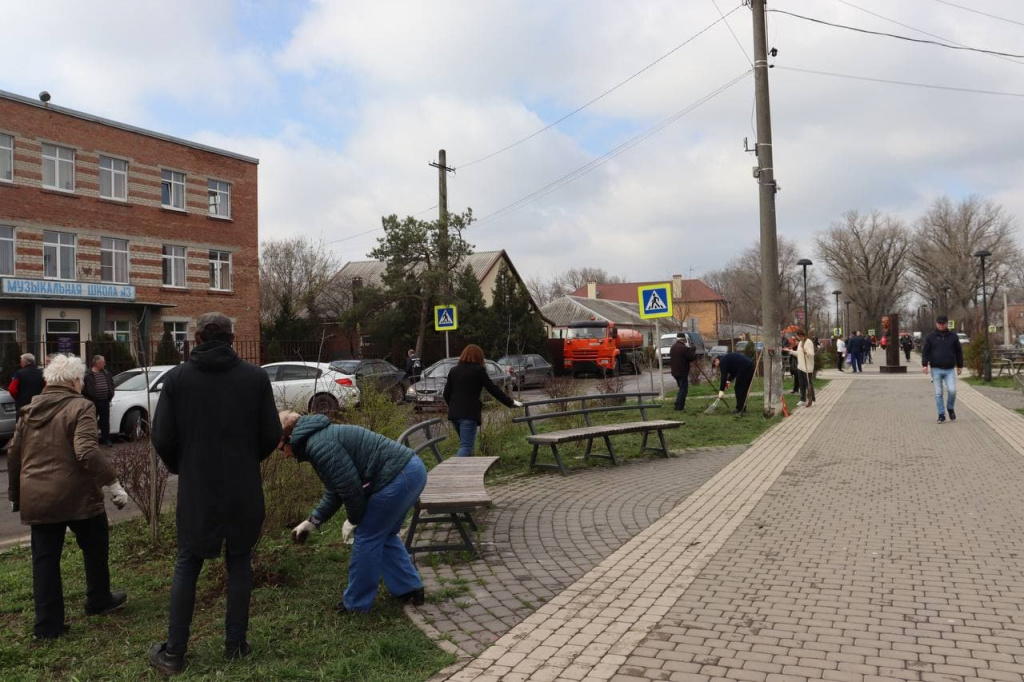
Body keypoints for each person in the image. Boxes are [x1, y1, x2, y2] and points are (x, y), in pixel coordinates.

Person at [149, 313, 281, 675]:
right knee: (239, 560)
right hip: (243, 486)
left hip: (197, 487)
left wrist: (183, 465)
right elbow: (272, 433)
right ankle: (235, 645)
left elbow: (162, 437)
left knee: (188, 561)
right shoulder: (255, 378)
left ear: (196, 339)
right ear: (232, 338)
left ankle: (174, 653)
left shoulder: (177, 379)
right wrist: (247, 459)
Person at [7, 353, 129, 640]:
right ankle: (99, 599)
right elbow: (86, 451)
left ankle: (47, 626)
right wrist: (113, 483)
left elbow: (14, 454)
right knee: (95, 546)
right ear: (74, 380)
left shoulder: (29, 410)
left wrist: (16, 494)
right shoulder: (81, 406)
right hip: (78, 495)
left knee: (45, 560)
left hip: (37, 497)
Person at [280, 411, 427, 613]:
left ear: (289, 438)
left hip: (398, 477)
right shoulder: (318, 439)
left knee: (366, 536)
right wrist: (313, 521)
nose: (285, 456)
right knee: (384, 534)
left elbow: (350, 489)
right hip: (412, 471)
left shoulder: (320, 446)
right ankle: (410, 588)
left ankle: (356, 604)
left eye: (281, 449)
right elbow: (335, 490)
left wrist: (354, 520)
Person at [443, 344, 522, 457]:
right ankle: (452, 468)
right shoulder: (478, 370)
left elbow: (446, 393)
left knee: (467, 447)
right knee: (466, 447)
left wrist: (453, 406)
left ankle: (464, 468)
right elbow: (492, 389)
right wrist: (510, 402)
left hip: (454, 414)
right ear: (479, 357)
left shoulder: (454, 371)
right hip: (468, 414)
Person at [921, 315, 963, 424]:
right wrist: (924, 364)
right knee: (938, 393)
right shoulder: (930, 336)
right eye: (939, 323)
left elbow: (958, 352)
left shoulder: (953, 336)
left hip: (949, 369)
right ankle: (941, 414)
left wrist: (960, 366)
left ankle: (950, 408)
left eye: (943, 323)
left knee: (952, 391)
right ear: (936, 324)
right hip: (936, 369)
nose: (941, 325)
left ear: (947, 324)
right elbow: (925, 351)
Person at [83, 355, 116, 446]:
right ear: (97, 363)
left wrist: (111, 392)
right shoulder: (87, 375)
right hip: (93, 402)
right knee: (92, 421)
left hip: (105, 401)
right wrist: (88, 396)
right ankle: (93, 440)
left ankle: (106, 439)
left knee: (105, 421)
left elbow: (111, 383)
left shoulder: (106, 373)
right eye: (103, 362)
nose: (104, 364)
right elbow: (83, 388)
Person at [9, 353, 45, 419]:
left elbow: (12, 389)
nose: (20, 364)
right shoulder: (42, 373)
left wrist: (18, 398)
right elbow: (46, 387)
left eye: (21, 362)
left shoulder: (19, 373)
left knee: (22, 422)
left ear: (25, 362)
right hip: (38, 404)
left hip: (23, 405)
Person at [669, 335, 696, 412]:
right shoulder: (684, 348)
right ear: (684, 340)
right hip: (682, 372)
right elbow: (691, 358)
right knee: (683, 389)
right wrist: (692, 350)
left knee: (681, 388)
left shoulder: (673, 347)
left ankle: (678, 404)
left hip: (674, 372)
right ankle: (679, 406)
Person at [791, 329, 815, 407]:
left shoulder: (808, 342)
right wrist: (791, 352)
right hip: (800, 367)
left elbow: (812, 354)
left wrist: (806, 352)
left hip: (807, 367)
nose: (796, 337)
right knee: (801, 384)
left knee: (809, 384)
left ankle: (812, 399)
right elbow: (799, 354)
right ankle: (803, 399)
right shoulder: (801, 343)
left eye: (797, 336)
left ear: (801, 335)